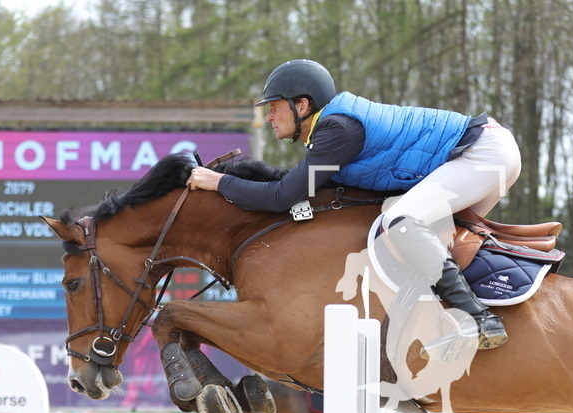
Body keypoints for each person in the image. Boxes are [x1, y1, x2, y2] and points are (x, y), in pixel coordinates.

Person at [186, 58, 522, 350]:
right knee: (410, 237)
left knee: (401, 220)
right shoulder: (331, 131)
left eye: (274, 107)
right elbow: (298, 190)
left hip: (483, 154)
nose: (270, 117)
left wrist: (219, 182)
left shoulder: (338, 130)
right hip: (484, 153)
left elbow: (282, 197)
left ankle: (477, 318)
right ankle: (446, 321)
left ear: (302, 106)